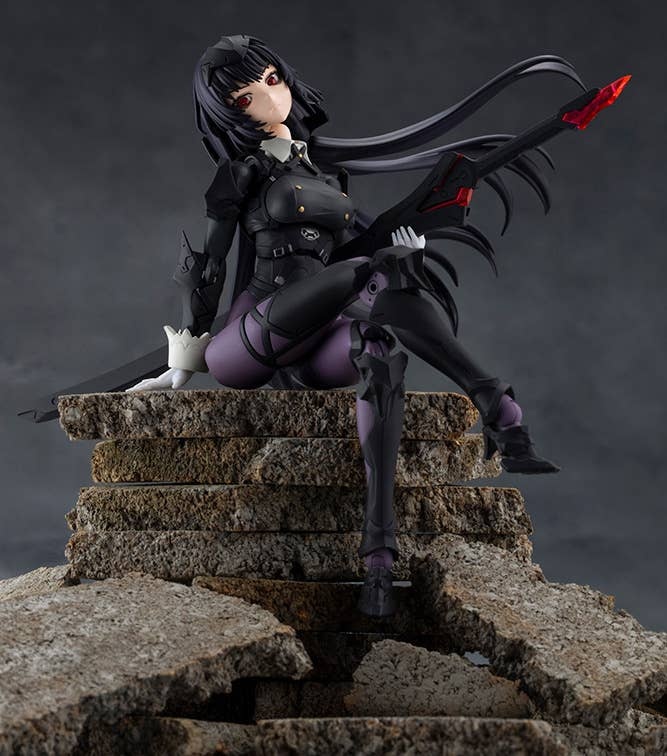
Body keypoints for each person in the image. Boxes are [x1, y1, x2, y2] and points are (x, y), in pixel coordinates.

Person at [116, 35, 591, 616]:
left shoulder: (325, 175)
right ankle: (499, 407)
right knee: (368, 270)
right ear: (227, 112)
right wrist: (182, 365)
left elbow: (350, 255)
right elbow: (209, 268)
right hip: (248, 342)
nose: (268, 97)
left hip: (315, 343)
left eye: (271, 79)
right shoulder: (239, 174)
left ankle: (379, 559)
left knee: (380, 344)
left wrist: (407, 252)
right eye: (244, 98)